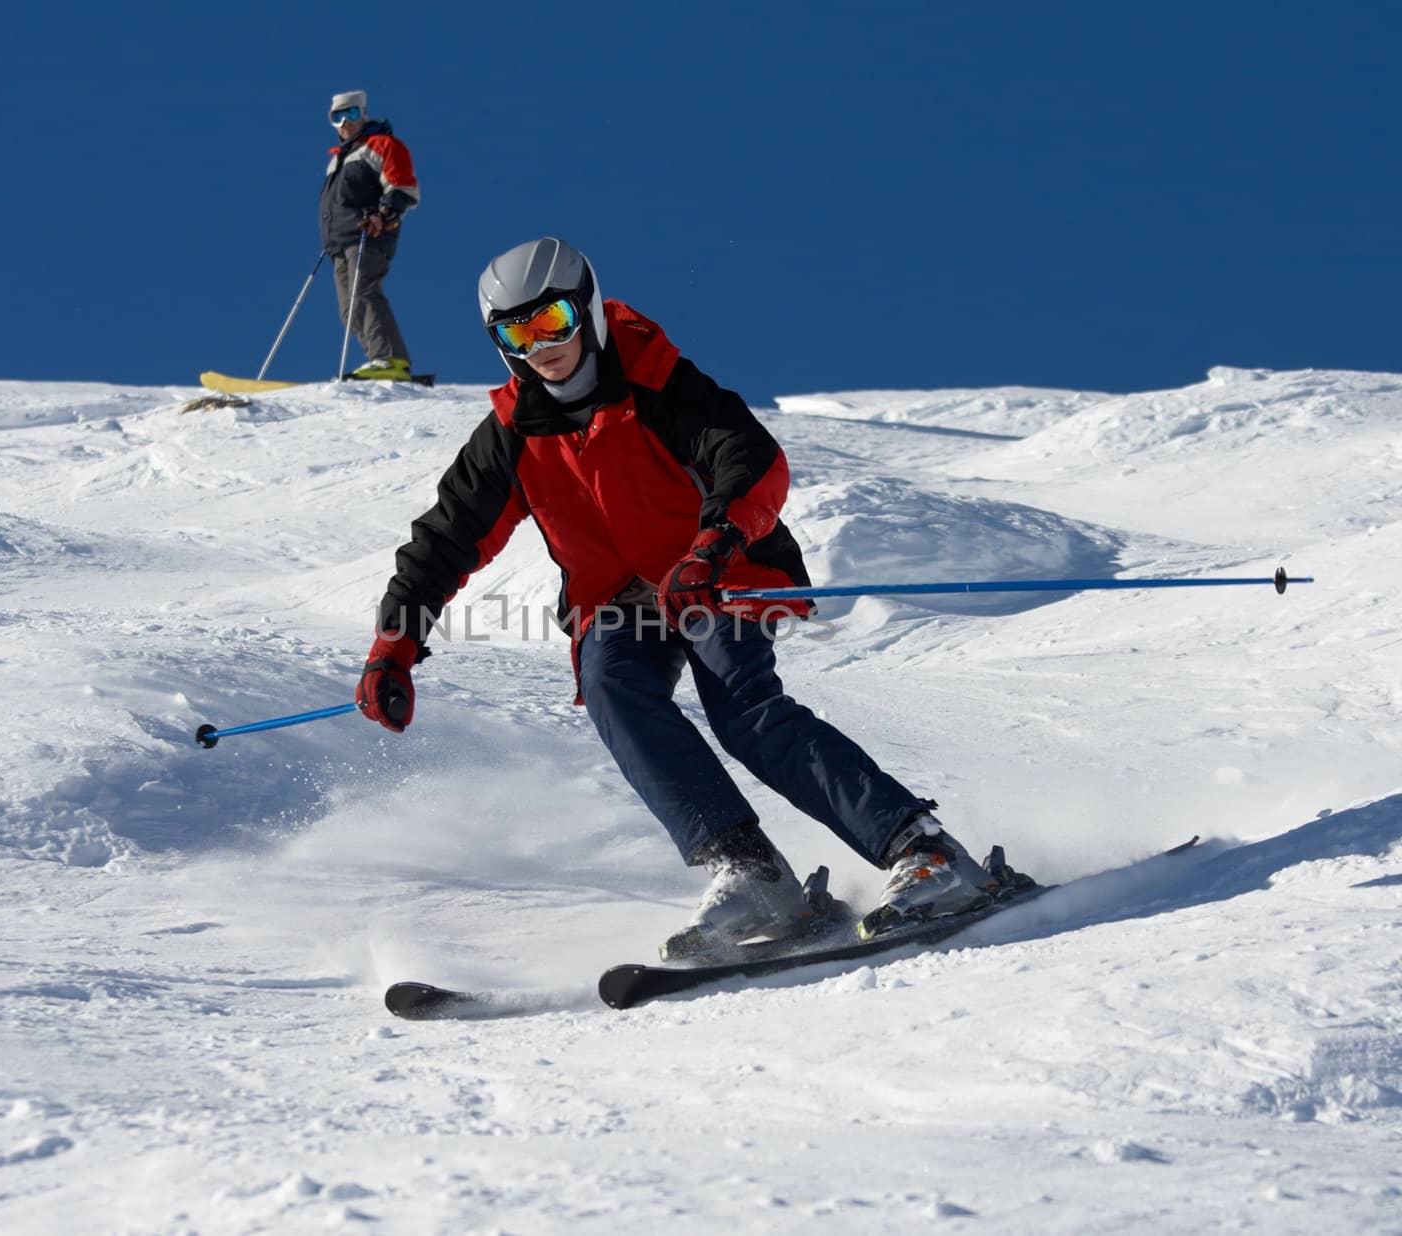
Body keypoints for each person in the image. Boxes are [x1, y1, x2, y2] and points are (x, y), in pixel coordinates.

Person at [355, 237, 999, 956]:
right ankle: (750, 873)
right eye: (517, 332)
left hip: (713, 569)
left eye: (554, 320)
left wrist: (714, 545)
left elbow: (751, 459)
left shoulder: (657, 381)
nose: (541, 346)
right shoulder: (509, 436)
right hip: (618, 598)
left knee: (744, 710)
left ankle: (923, 850)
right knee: (611, 683)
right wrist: (394, 647)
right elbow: (444, 540)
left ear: (589, 309)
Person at [319, 89, 418, 381]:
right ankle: (380, 359)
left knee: (363, 293)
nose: (345, 122)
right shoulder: (338, 159)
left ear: (363, 114)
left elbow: (403, 186)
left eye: (351, 114)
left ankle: (389, 360)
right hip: (339, 240)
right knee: (348, 308)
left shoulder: (382, 145)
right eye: (337, 117)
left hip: (369, 232)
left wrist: (384, 214)